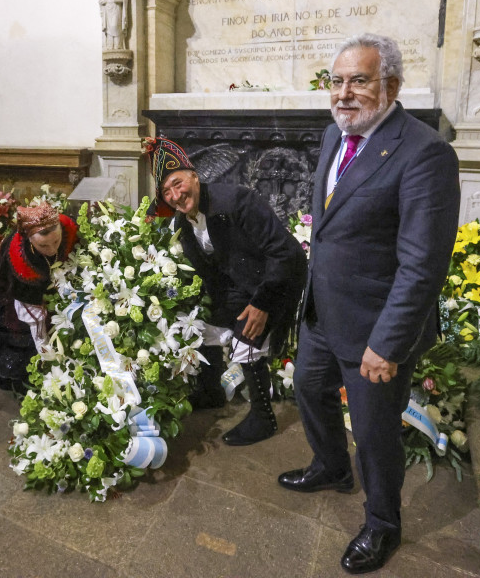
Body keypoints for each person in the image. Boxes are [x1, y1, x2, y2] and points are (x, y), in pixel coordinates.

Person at [277, 34, 460, 574]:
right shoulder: (337, 137)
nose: (343, 93)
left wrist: (387, 344)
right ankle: (331, 466)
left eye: (359, 80)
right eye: (336, 81)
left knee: (376, 437)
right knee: (307, 388)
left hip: (375, 330)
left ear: (392, 86)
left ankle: (383, 523)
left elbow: (423, 265)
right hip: (322, 314)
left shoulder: (425, 152)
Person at [144, 137, 307, 446]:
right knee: (195, 321)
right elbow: (212, 274)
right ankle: (211, 391)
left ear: (194, 176)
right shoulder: (182, 223)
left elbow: (285, 254)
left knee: (247, 336)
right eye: (167, 192)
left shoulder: (238, 200)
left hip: (275, 286)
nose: (176, 195)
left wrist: (261, 304)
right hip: (237, 290)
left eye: (178, 184)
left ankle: (263, 418)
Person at [0, 203, 79, 392]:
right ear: (29, 239)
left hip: (52, 283)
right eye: (43, 245)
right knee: (24, 336)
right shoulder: (19, 259)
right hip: (12, 292)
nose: (51, 250)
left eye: (56, 242)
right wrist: (45, 350)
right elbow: (31, 311)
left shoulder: (68, 228)